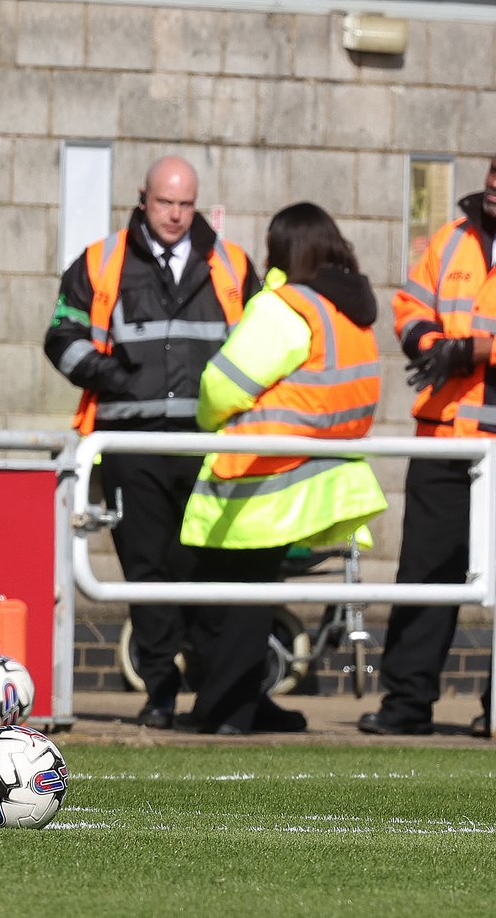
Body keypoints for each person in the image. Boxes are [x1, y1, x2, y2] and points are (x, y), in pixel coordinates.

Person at [44, 155, 260, 730]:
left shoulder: (233, 264)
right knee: (147, 570)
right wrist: (114, 376)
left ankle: (213, 696)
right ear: (143, 198)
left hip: (209, 443)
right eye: (166, 203)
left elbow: (260, 345)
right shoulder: (101, 261)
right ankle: (161, 690)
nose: (175, 214)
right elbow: (61, 337)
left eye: (186, 204)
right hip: (129, 442)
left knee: (205, 570)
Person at [179, 202, 386, 733]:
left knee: (227, 596)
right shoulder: (347, 309)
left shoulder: (286, 306)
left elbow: (221, 385)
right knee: (251, 592)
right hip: (318, 472)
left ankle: (226, 710)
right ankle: (246, 700)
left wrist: (209, 417)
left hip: (261, 475)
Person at [359, 140, 496, 738]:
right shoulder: (451, 238)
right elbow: (409, 306)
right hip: (444, 438)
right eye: (494, 171)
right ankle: (406, 704)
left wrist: (482, 349)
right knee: (425, 574)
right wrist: (432, 344)